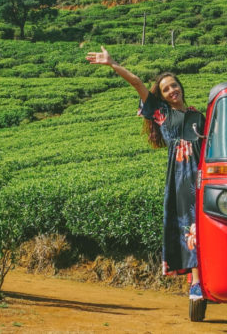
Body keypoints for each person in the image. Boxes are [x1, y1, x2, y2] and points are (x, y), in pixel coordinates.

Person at [86, 46, 204, 300]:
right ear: (161, 96)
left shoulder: (198, 115)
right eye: (166, 89)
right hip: (183, 178)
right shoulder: (162, 114)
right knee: (192, 228)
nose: (173, 90)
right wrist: (112, 63)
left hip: (205, 175)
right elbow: (137, 82)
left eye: (174, 85)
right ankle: (196, 282)